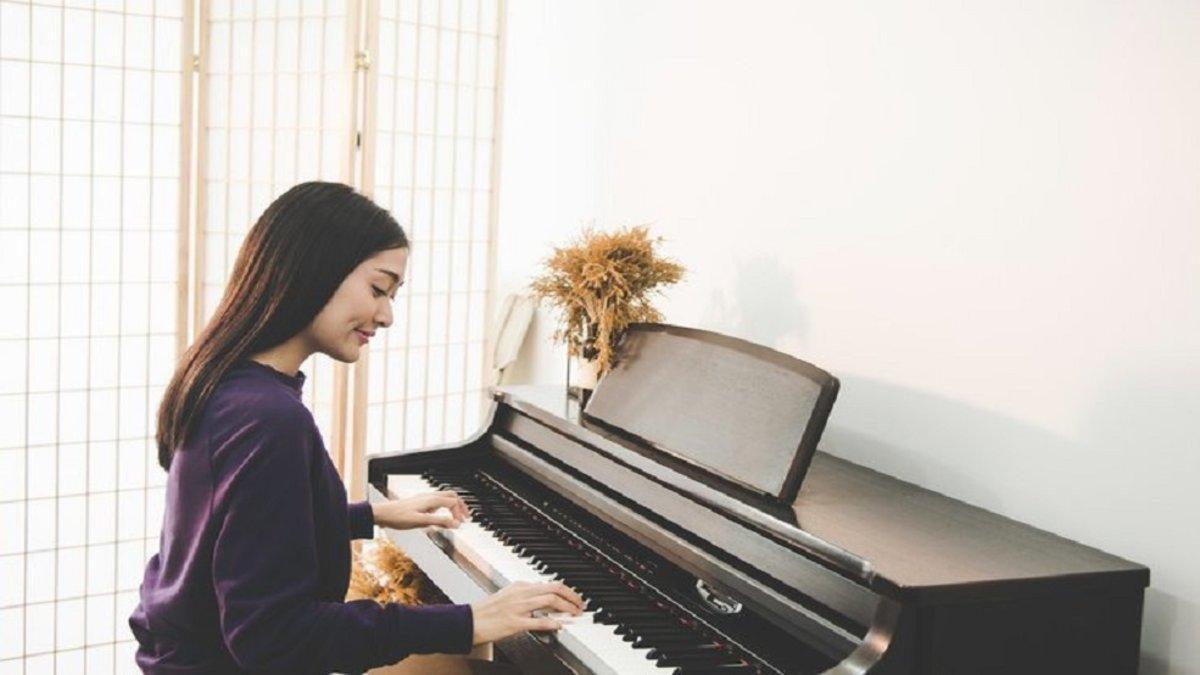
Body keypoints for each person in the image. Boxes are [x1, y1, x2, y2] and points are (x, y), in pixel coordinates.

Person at [129, 182, 584, 674]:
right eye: (378, 289)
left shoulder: (226, 382)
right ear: (314, 268)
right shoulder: (268, 418)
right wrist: (472, 619)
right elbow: (275, 639)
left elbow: (244, 532)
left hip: (184, 658)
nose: (386, 316)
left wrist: (374, 516)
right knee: (465, 664)